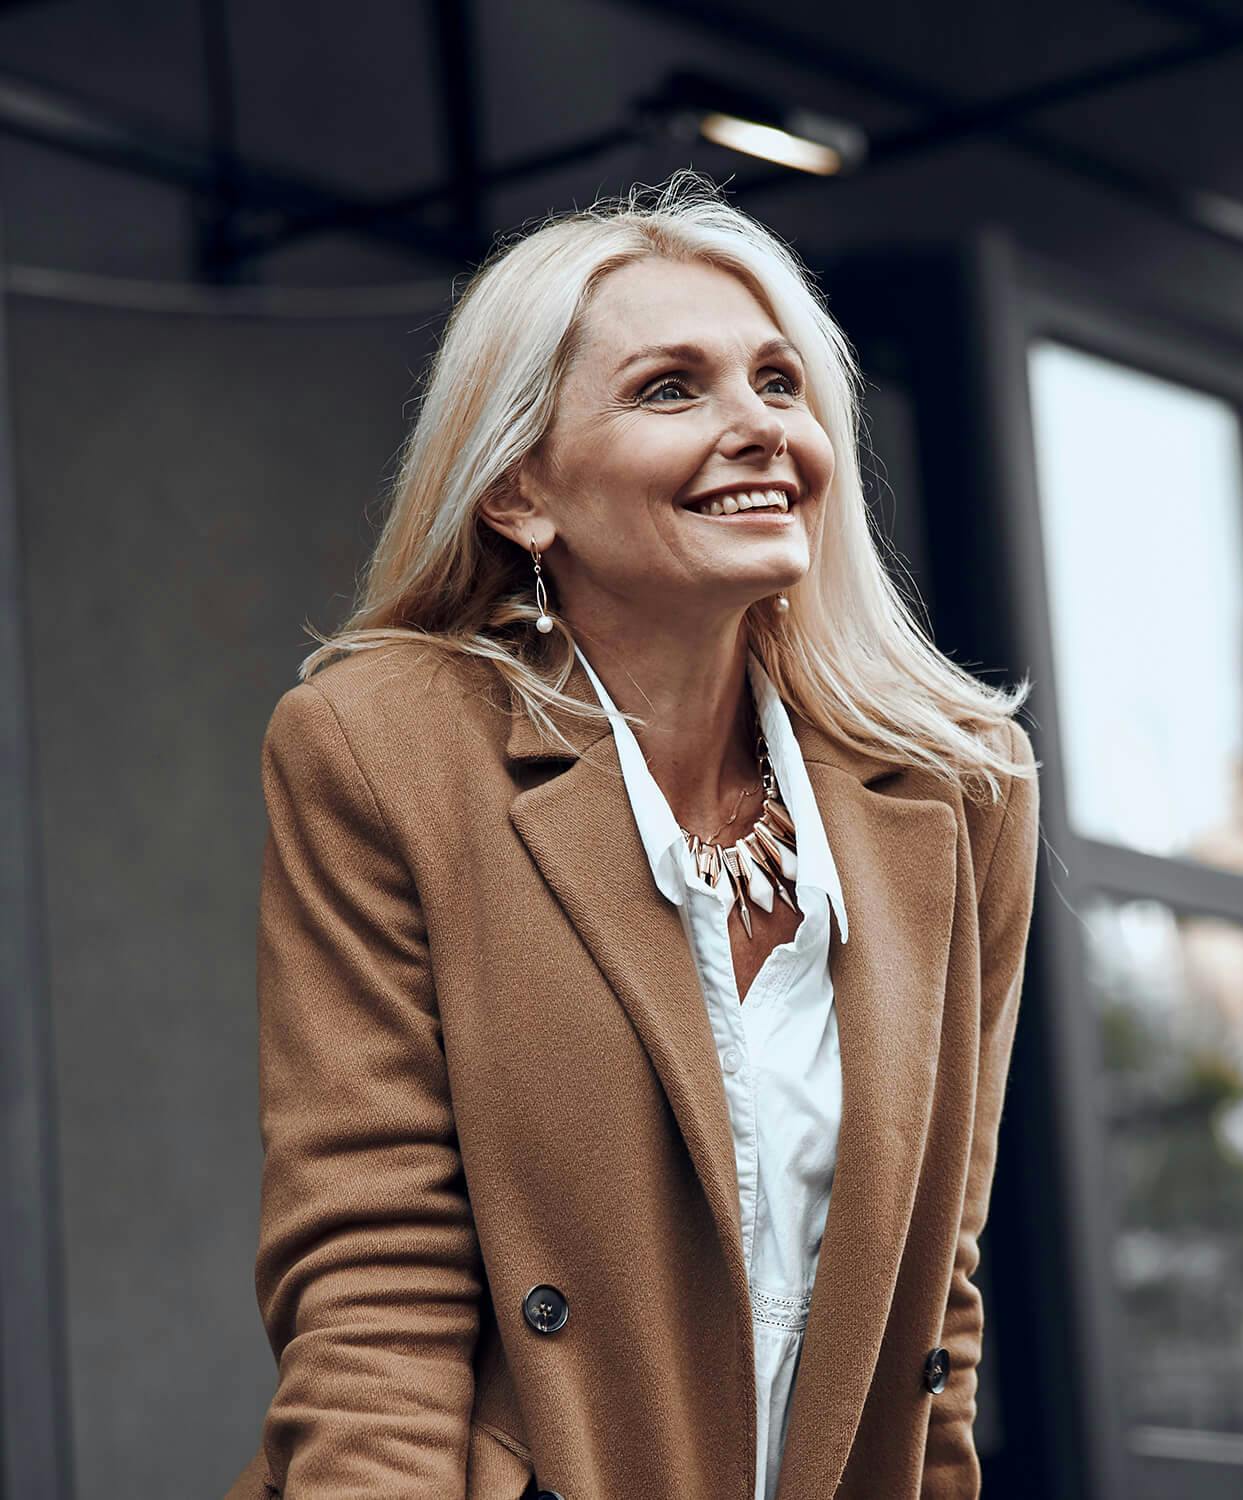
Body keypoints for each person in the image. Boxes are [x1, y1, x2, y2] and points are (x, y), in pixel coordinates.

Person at [225, 169, 1041, 1500]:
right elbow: (376, 1282)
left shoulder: (957, 789)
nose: (758, 427)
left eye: (778, 383)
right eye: (672, 390)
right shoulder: (382, 747)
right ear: (518, 492)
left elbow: (934, 1300)